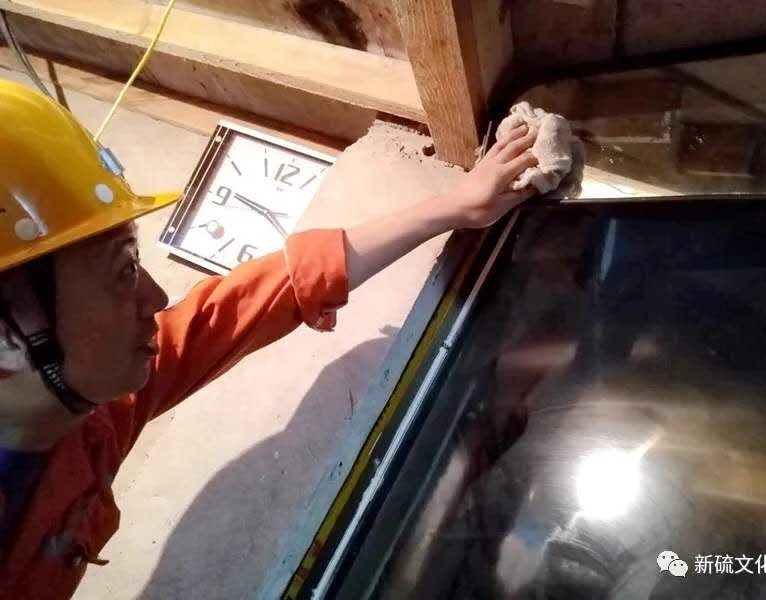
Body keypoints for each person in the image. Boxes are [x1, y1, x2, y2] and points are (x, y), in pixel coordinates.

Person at [0, 79, 538, 598]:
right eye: (121, 272)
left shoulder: (82, 422)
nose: (157, 297)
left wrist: (452, 207)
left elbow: (221, 317)